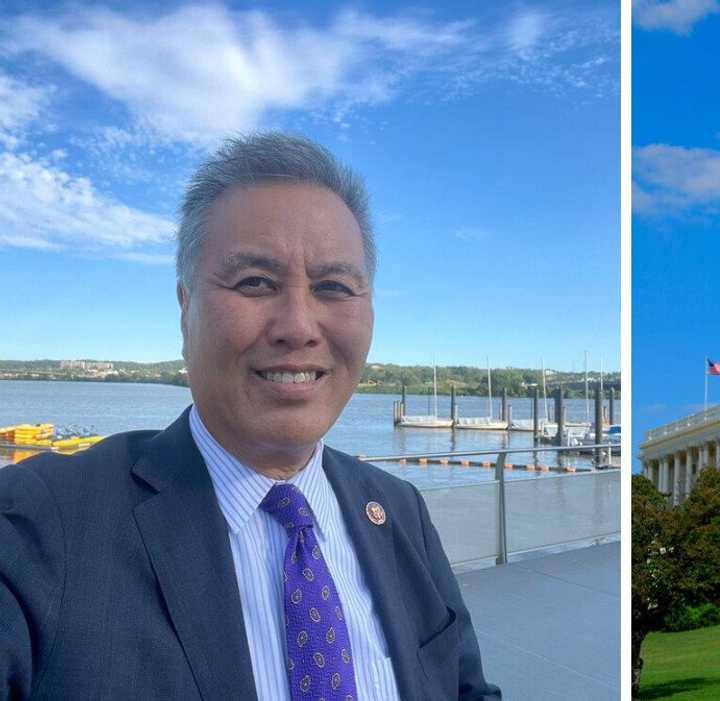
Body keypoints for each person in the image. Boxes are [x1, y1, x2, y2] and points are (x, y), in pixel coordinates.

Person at [0, 133, 502, 701]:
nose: (298, 325)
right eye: (255, 283)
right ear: (186, 306)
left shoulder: (401, 510)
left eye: (333, 287)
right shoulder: (36, 525)